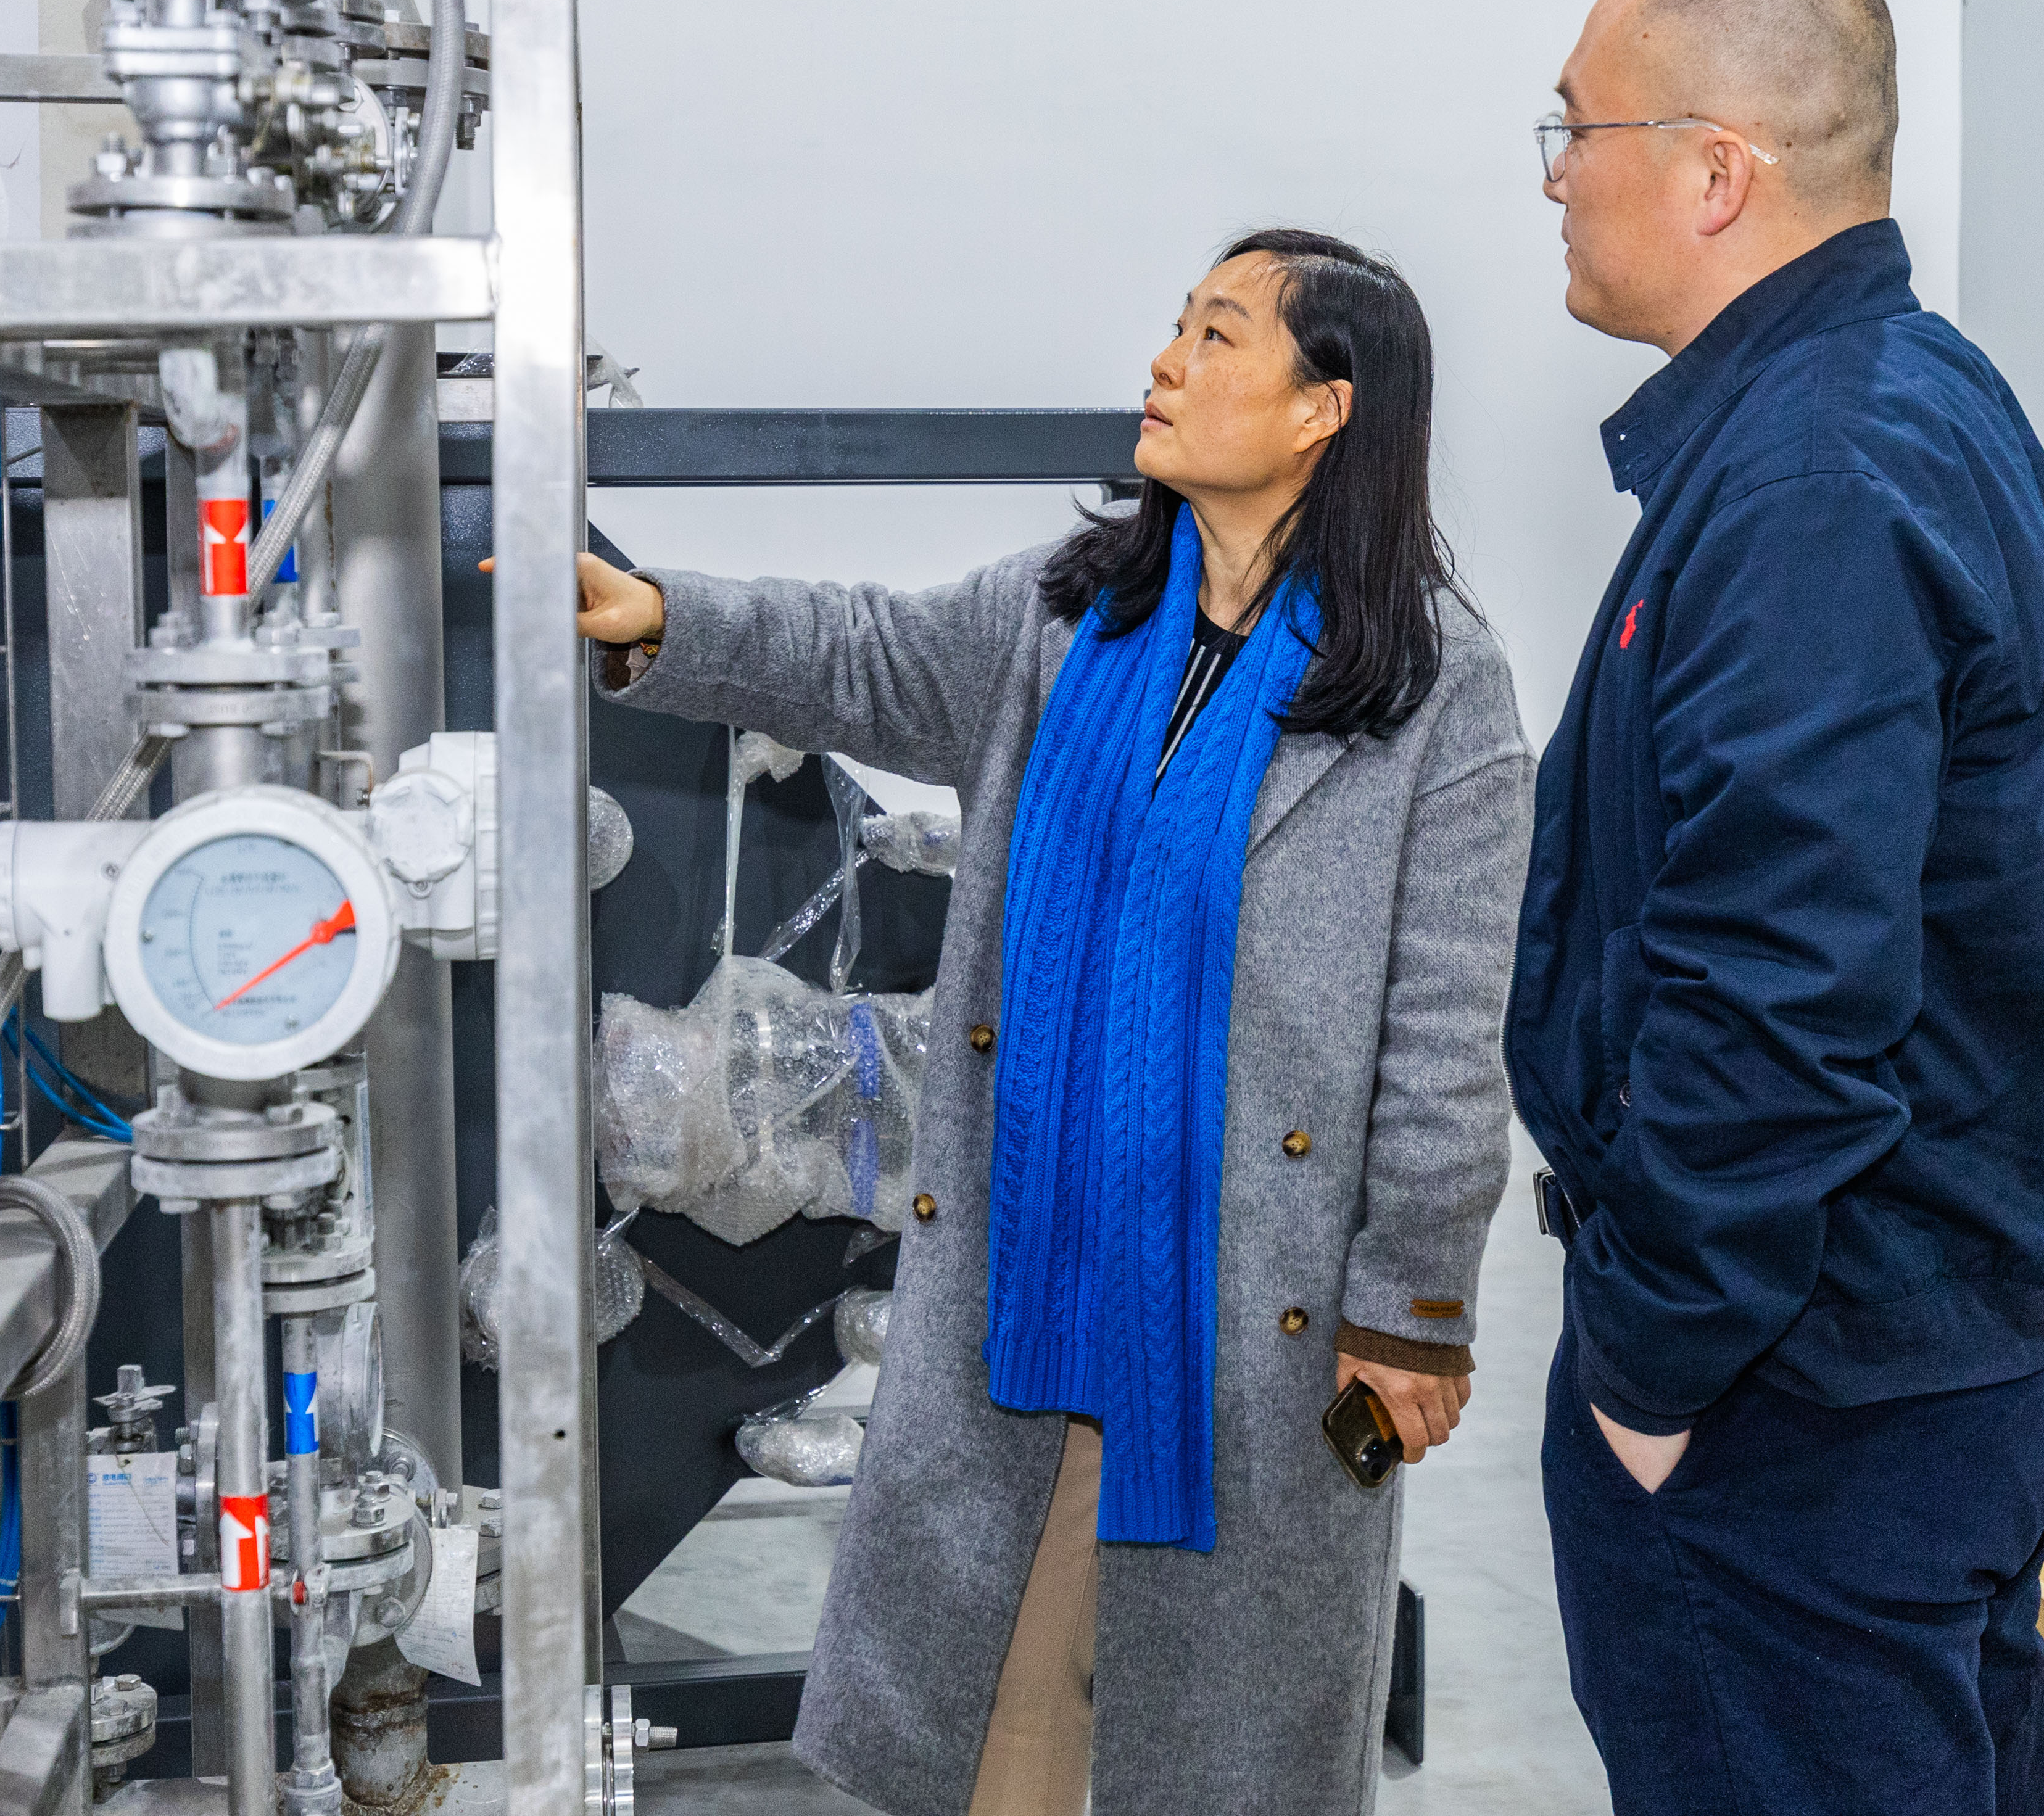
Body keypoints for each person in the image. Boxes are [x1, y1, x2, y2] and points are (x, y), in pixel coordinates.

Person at [565, 230, 1529, 1816]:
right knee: (993, 1741)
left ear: (1321, 412)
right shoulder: (1060, 618)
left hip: (1243, 1318)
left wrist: (1408, 1305)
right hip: (1021, 1292)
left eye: (1217, 336)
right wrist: (663, 613)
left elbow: (1442, 1038)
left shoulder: (1430, 695)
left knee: (1210, 1749)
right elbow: (855, 653)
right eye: (1176, 325)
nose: (1164, 361)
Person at [1509, 0, 2044, 1816]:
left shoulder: (1808, 477)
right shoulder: (1901, 393)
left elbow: (1778, 990)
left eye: (1576, 126)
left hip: (1807, 1403)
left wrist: (1645, 1377)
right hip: (1932, 1359)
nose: (1553, 174)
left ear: (1715, 169)